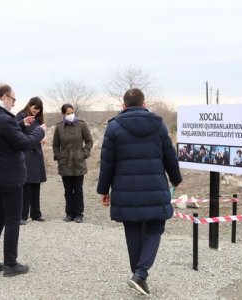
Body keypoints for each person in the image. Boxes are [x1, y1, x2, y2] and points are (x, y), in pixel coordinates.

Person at [97, 88, 182, 296]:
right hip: (154, 188)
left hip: (125, 191)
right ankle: (140, 274)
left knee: (132, 230)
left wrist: (104, 189)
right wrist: (176, 178)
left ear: (123, 106)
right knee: (155, 228)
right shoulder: (158, 125)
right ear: (144, 104)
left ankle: (138, 274)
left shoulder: (114, 127)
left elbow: (107, 162)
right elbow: (169, 155)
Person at [0, 83, 46, 277]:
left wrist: (20, 125)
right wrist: (39, 132)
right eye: (13, 99)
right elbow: (23, 143)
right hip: (10, 177)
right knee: (12, 220)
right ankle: (10, 265)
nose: (14, 104)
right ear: (4, 97)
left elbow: (2, 136)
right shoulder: (3, 120)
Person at [52, 104, 93, 223]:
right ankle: (69, 213)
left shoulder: (81, 125)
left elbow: (89, 141)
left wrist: (84, 153)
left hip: (78, 160)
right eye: (68, 113)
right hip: (65, 161)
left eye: (72, 112)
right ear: (63, 114)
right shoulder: (59, 127)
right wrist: (59, 156)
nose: (71, 115)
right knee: (68, 189)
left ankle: (79, 214)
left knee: (78, 189)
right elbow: (55, 145)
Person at [15, 97, 47, 225]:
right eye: (34, 109)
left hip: (37, 154)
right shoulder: (21, 116)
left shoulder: (39, 119)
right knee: (27, 185)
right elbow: (15, 132)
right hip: (26, 155)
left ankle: (36, 213)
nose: (36, 112)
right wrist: (32, 137)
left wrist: (42, 138)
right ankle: (23, 215)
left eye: (38, 110)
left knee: (36, 185)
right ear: (29, 105)